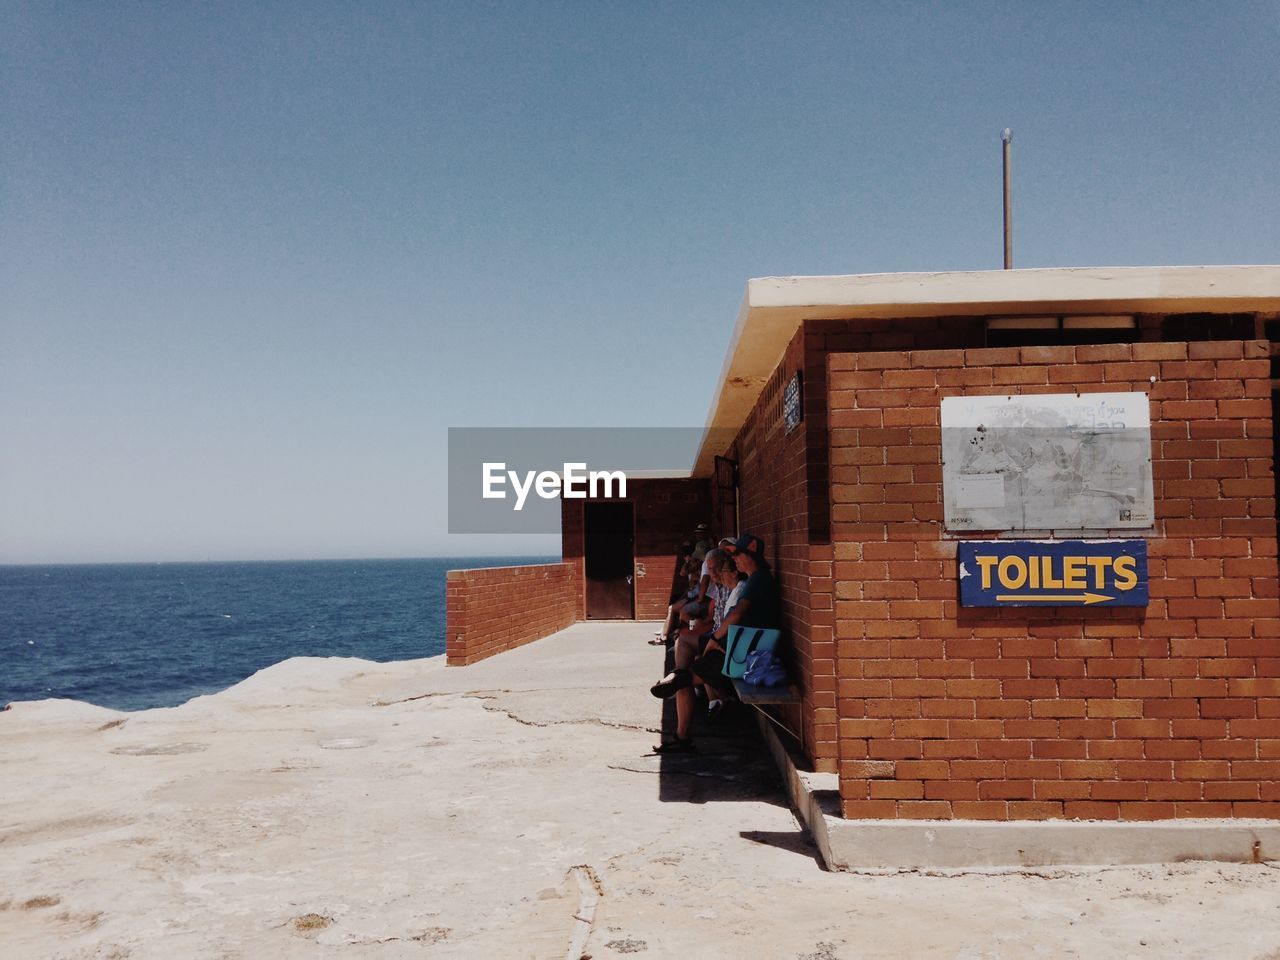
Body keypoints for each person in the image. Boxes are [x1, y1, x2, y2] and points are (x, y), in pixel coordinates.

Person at [650, 534, 779, 753]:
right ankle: (677, 681)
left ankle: (681, 733)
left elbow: (736, 615)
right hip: (738, 647)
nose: (735, 559)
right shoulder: (756, 579)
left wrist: (714, 639)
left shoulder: (756, 580)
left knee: (683, 680)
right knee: (684, 673)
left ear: (751, 554)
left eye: (737, 554)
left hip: (744, 656)